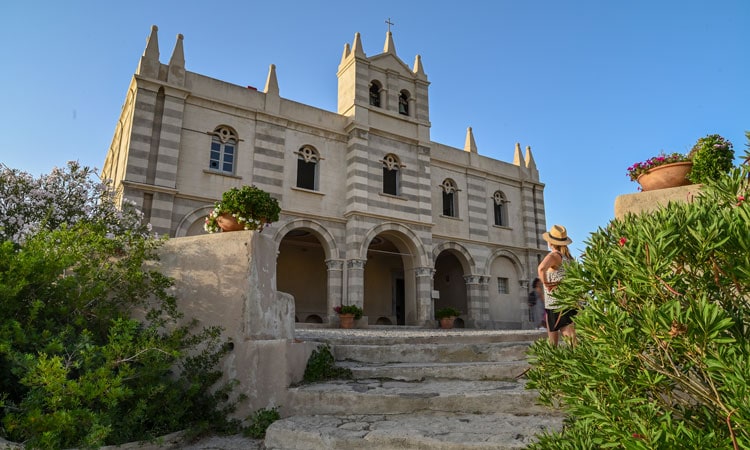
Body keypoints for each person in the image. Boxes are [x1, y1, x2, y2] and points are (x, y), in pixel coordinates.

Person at [538, 224, 577, 346]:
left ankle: (576, 362)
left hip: (556, 303)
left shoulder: (554, 256)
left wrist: (546, 283)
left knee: (560, 341)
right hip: (567, 301)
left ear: (550, 242)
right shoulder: (569, 258)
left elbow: (541, 268)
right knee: (570, 339)